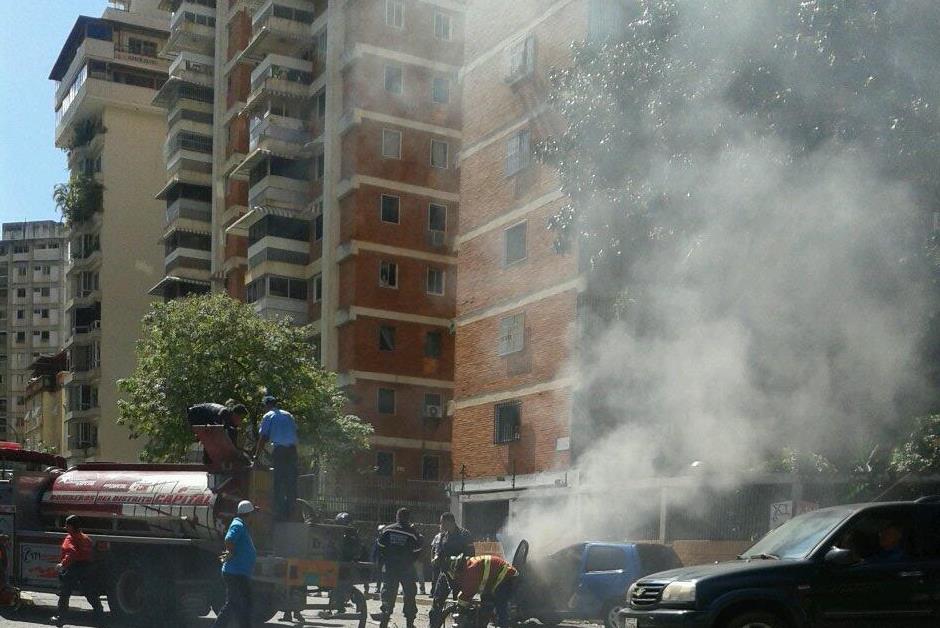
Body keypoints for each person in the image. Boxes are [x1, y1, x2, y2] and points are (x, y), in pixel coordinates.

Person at [51, 515, 104, 628]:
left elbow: (72, 553)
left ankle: (61, 618)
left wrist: (62, 564)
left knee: (65, 593)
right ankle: (100, 615)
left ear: (70, 526)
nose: (65, 527)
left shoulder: (70, 538)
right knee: (89, 592)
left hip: (74, 568)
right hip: (87, 567)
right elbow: (92, 551)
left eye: (66, 524)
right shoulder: (85, 538)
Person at [213, 500, 258, 628]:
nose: (254, 517)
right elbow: (229, 539)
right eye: (253, 514)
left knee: (244, 604)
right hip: (235, 573)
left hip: (239, 572)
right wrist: (231, 551)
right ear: (248, 514)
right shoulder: (238, 525)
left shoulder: (241, 524)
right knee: (234, 603)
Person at [253, 395, 298, 520]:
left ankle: (280, 513)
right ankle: (292, 510)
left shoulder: (268, 416)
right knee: (291, 482)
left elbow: (263, 438)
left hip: (280, 451)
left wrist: (256, 456)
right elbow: (293, 432)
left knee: (278, 482)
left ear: (267, 405)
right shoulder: (288, 415)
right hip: (292, 451)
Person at [377, 508, 424, 628]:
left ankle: (385, 617)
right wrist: (410, 560)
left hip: (390, 567)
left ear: (397, 517)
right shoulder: (412, 533)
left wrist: (385, 559)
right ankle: (409, 622)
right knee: (409, 594)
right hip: (406, 568)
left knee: (388, 592)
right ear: (408, 518)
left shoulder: (388, 530)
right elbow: (418, 550)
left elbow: (380, 546)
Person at [447, 554, 518, 628]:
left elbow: (469, 591)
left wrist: (461, 606)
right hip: (494, 582)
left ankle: (503, 625)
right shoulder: (469, 565)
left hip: (507, 577)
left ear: (457, 569)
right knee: (486, 605)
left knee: (500, 604)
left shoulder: (471, 570)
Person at [429, 513, 475, 627]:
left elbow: (471, 555)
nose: (441, 525)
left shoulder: (465, 535)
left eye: (442, 522)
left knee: (460, 605)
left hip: (461, 575)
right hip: (445, 574)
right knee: (437, 603)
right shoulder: (442, 536)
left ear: (450, 522)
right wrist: (436, 559)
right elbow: (438, 552)